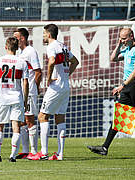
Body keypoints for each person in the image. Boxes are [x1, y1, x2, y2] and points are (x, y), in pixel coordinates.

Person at [87, 28, 135, 156]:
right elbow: (113, 58)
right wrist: (119, 44)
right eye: (121, 38)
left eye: (124, 38)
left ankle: (105, 147)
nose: (122, 40)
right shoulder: (126, 49)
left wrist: (122, 85)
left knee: (129, 117)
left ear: (131, 36)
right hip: (130, 86)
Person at [28, 24, 79, 161]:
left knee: (42, 116)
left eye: (44, 34)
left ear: (49, 34)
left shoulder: (51, 47)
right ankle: (60, 154)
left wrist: (49, 78)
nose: (43, 36)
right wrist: (66, 75)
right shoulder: (63, 46)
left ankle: (43, 152)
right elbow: (75, 62)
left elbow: (51, 61)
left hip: (56, 87)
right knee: (60, 118)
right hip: (65, 86)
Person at [0, 37, 29, 162]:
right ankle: (12, 156)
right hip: (17, 97)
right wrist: (25, 99)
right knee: (16, 126)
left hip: (2, 98)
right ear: (17, 48)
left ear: (6, 47)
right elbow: (25, 83)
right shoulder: (22, 62)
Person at [13, 28, 42, 159]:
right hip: (22, 92)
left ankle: (34, 152)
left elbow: (38, 72)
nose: (14, 40)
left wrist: (34, 88)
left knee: (30, 119)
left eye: (16, 37)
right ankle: (25, 151)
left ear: (22, 38)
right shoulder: (20, 53)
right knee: (22, 121)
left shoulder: (31, 51)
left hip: (29, 92)